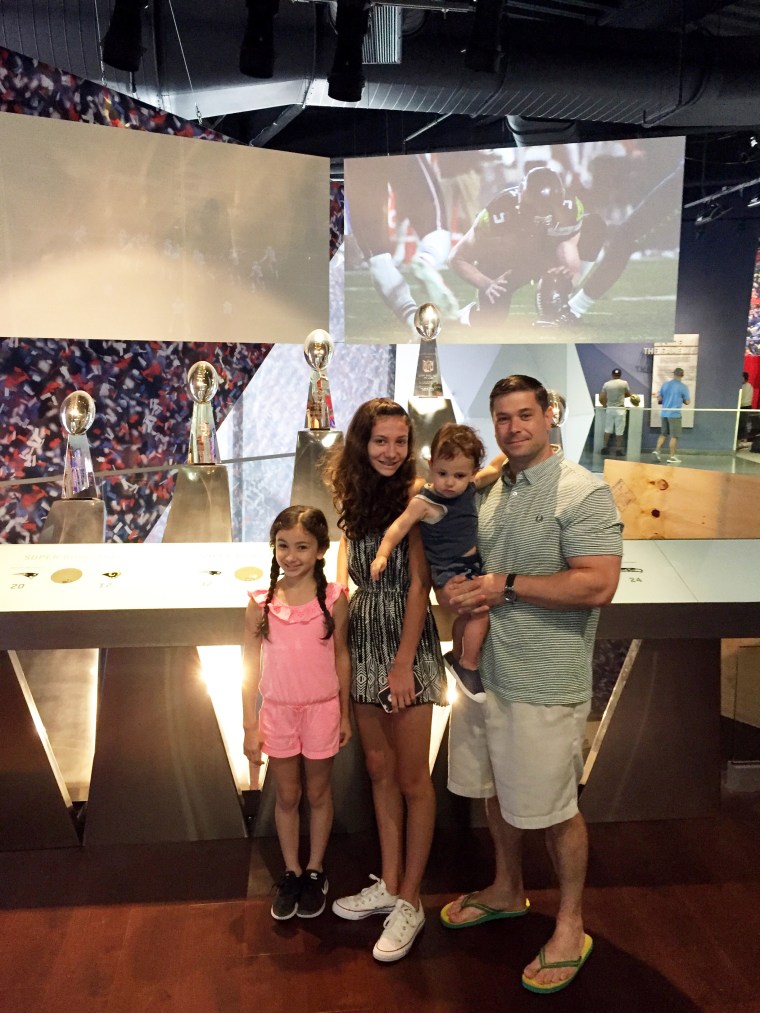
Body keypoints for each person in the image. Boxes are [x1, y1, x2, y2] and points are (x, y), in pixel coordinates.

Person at [438, 374, 622, 996]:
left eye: (524, 415)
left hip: (545, 679)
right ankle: (507, 888)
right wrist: (464, 589)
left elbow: (598, 582)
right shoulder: (494, 487)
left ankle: (570, 924)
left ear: (549, 416)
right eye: (502, 417)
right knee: (498, 790)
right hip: (487, 674)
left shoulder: (582, 490)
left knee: (555, 808)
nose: (513, 427)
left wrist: (506, 586)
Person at [324, 397, 446, 963]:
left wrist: (402, 665)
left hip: (405, 645)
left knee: (413, 777)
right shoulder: (352, 496)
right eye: (381, 441)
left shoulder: (418, 497)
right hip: (365, 642)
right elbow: (346, 578)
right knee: (378, 770)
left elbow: (419, 585)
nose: (391, 451)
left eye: (400, 441)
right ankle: (392, 883)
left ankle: (413, 900)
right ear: (362, 443)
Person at [242, 505, 352, 922]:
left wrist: (344, 714)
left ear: (321, 550)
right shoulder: (261, 602)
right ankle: (291, 870)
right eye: (283, 545)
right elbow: (249, 663)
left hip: (322, 710)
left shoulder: (334, 599)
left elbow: (342, 657)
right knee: (287, 795)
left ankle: (315, 869)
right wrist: (249, 724)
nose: (291, 556)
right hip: (278, 713)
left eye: (302, 547)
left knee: (319, 793)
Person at [369, 421, 506, 703]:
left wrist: (509, 451)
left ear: (472, 472)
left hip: (472, 565)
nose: (450, 482)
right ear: (431, 465)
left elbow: (494, 470)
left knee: (467, 616)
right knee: (480, 613)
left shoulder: (469, 487)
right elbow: (399, 527)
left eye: (459, 475)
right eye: (442, 473)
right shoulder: (425, 502)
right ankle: (468, 665)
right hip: (450, 570)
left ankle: (457, 654)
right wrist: (382, 554)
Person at [449, 166, 604, 329]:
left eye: (546, 210)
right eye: (534, 209)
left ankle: (561, 310)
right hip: (506, 266)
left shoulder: (571, 209)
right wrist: (486, 283)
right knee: (490, 321)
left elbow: (568, 247)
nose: (539, 216)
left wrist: (565, 282)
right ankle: (458, 317)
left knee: (594, 225)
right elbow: (457, 258)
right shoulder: (497, 212)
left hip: (544, 256)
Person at [653, 367, 690, 464]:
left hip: (664, 413)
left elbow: (659, 399)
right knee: (674, 436)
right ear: (682, 375)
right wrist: (681, 399)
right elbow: (687, 402)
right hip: (674, 414)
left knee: (663, 434)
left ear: (674, 374)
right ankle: (672, 456)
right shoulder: (683, 387)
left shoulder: (665, 384)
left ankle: (657, 450)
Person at [598, 367, 639, 456]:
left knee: (607, 429)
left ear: (612, 375)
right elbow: (628, 394)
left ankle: (605, 448)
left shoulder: (606, 384)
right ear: (620, 375)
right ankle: (618, 450)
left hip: (610, 409)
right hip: (620, 409)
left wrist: (605, 405)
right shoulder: (624, 383)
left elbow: (601, 397)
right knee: (619, 431)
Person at [740, 371, 754, 442]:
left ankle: (743, 438)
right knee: (742, 423)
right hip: (745, 406)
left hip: (745, 406)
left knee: (743, 423)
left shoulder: (747, 386)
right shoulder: (749, 386)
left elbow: (744, 398)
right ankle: (742, 438)